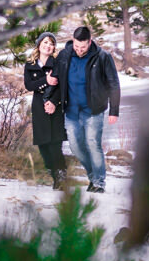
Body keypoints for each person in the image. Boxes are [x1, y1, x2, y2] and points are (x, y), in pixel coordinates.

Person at [50, 25, 121, 193]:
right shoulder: (64, 55)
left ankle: (99, 183)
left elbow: (114, 84)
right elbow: (56, 80)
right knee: (75, 146)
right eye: (76, 46)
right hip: (71, 111)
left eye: (83, 47)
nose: (79, 50)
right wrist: (50, 99)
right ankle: (92, 176)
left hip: (93, 110)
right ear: (72, 41)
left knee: (93, 144)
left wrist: (114, 110)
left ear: (90, 42)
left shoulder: (103, 57)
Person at [22, 32, 68, 189]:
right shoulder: (30, 65)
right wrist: (45, 80)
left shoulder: (58, 63)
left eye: (52, 43)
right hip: (38, 107)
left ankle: (61, 178)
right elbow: (29, 85)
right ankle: (53, 172)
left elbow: (63, 85)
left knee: (56, 144)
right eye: (46, 42)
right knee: (43, 145)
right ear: (39, 44)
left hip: (56, 106)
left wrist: (54, 102)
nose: (49, 46)